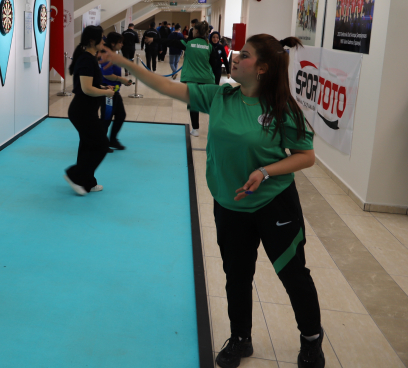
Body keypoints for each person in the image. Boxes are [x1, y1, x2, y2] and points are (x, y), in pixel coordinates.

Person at [98, 34, 324, 368]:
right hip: (230, 205)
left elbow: (306, 156)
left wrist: (265, 171)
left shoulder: (283, 109)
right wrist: (122, 62)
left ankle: (311, 341)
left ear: (262, 68)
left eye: (244, 55)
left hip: (275, 204)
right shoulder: (221, 96)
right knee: (237, 275)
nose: (235, 58)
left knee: (293, 275)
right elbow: (167, 86)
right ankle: (241, 338)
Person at [64, 26, 115, 196]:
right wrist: (106, 93)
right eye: (102, 38)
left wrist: (102, 87)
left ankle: (88, 182)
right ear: (92, 41)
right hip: (82, 111)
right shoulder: (86, 59)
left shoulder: (90, 58)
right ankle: (75, 175)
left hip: (86, 110)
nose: (104, 41)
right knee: (101, 145)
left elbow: (91, 84)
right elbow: (86, 89)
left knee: (88, 145)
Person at [172, 22, 213, 137]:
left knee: (194, 104)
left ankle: (196, 129)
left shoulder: (189, 43)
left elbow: (172, 43)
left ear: (196, 31)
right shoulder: (209, 46)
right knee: (210, 105)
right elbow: (214, 64)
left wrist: (154, 40)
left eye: (194, 29)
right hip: (207, 79)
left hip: (192, 79)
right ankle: (215, 128)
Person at [101, 32, 133, 150]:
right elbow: (107, 75)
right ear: (113, 43)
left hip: (115, 91)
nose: (122, 44)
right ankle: (101, 143)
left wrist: (122, 81)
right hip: (108, 91)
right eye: (120, 42)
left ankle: (112, 140)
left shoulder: (113, 54)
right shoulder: (107, 56)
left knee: (120, 115)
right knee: (106, 118)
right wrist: (122, 79)